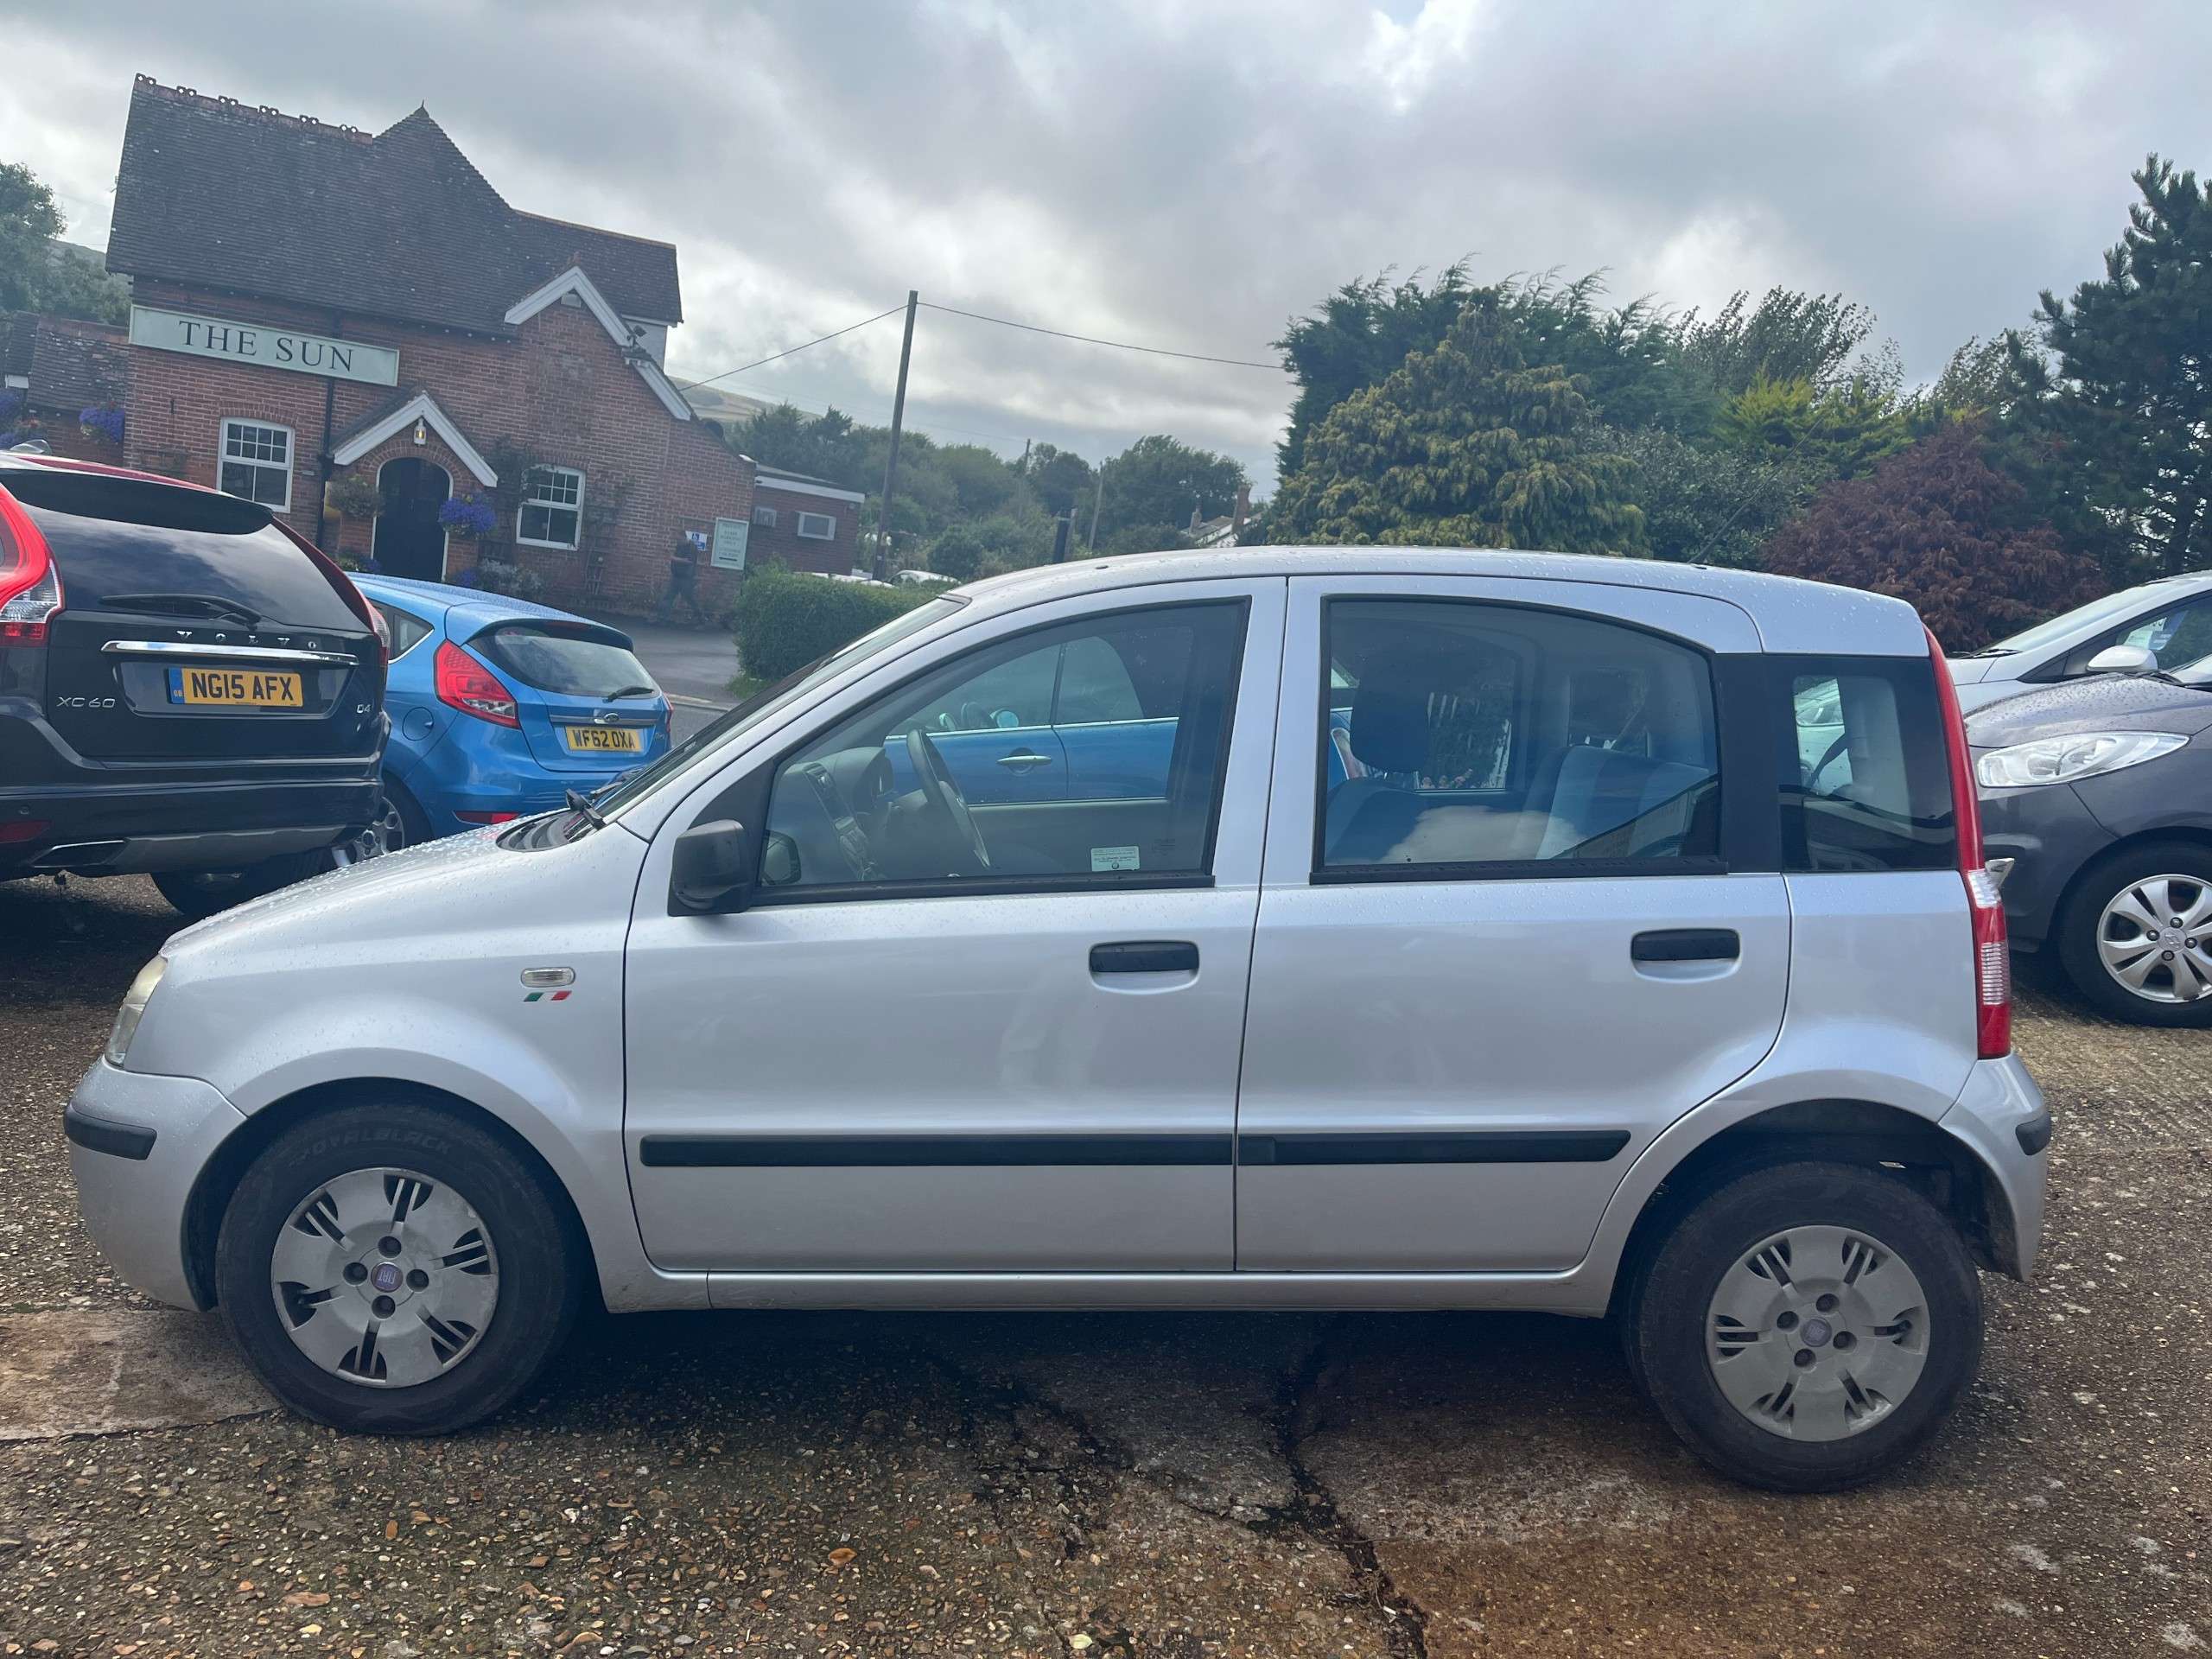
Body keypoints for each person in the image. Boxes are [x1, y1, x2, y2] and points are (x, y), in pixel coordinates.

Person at [654, 533, 710, 626]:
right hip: (676, 576)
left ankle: (702, 619)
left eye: (679, 540)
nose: (678, 542)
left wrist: (673, 558)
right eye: (677, 540)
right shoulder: (679, 546)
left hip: (686, 578)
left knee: (690, 599)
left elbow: (689, 561)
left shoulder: (692, 547)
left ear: (684, 537)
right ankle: (661, 619)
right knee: (668, 597)